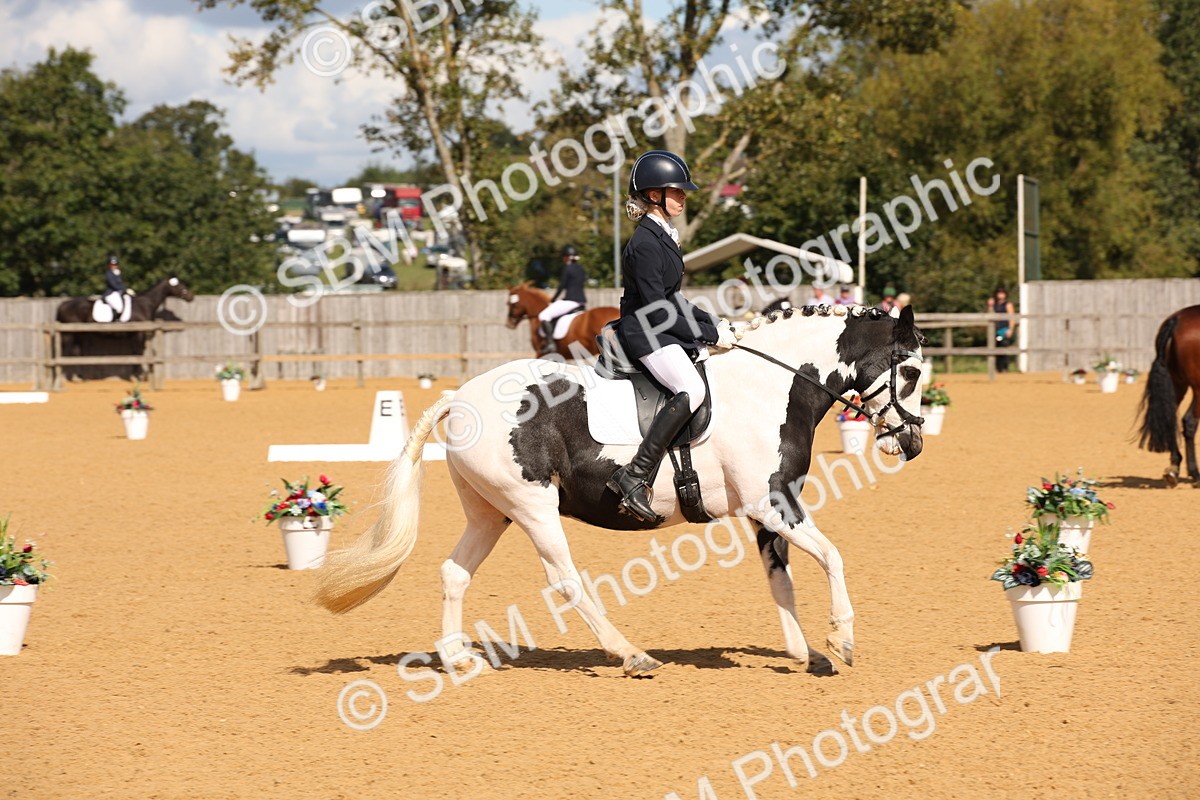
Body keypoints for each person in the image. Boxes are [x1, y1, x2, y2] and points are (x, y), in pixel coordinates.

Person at [608, 150, 738, 522]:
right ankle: (633, 476)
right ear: (653, 195)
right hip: (646, 333)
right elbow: (657, 307)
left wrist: (715, 324)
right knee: (692, 390)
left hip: (661, 325)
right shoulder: (645, 243)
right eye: (676, 192)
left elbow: (673, 299)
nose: (683, 197)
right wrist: (707, 333)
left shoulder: (662, 235)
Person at [537, 245, 588, 356]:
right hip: (581, 301)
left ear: (566, 257)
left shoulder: (568, 268)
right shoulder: (581, 269)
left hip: (570, 301)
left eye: (563, 257)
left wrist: (553, 299)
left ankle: (550, 343)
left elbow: (562, 286)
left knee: (543, 316)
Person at [988, 286, 1017, 373]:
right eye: (999, 293)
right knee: (996, 348)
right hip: (996, 330)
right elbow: (990, 315)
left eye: (1002, 293)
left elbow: (1012, 317)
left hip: (1004, 329)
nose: (1000, 295)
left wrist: (1011, 329)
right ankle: (998, 368)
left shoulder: (1008, 304)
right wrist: (990, 305)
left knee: (1003, 347)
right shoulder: (995, 305)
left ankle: (1004, 368)